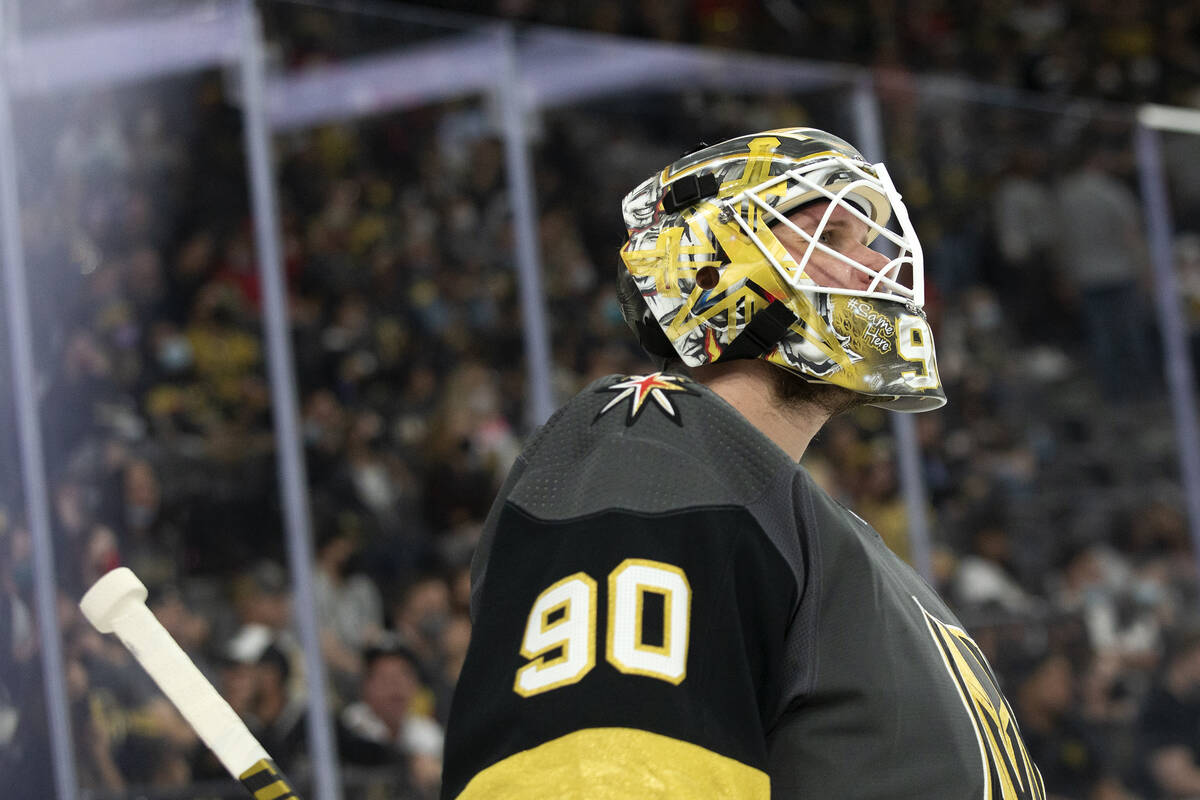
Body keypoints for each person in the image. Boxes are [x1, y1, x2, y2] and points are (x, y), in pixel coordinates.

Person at [441, 128, 1044, 798]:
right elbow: (592, 778)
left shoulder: (842, 548)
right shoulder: (652, 444)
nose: (875, 267)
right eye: (834, 236)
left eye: (870, 240)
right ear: (713, 263)